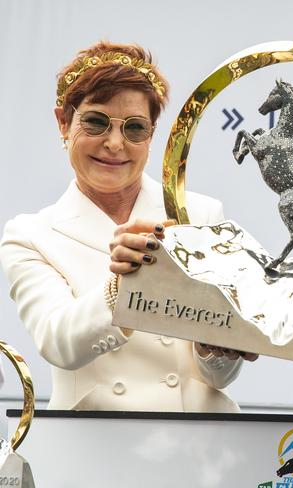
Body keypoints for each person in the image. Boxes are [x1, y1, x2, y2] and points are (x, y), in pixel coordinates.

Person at [0, 41, 256, 412]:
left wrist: (218, 347)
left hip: (202, 444)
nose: (115, 144)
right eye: (96, 121)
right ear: (63, 121)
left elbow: (218, 376)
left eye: (135, 128)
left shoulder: (198, 215)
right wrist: (121, 285)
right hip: (95, 447)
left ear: (152, 135)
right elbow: (59, 343)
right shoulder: (30, 235)